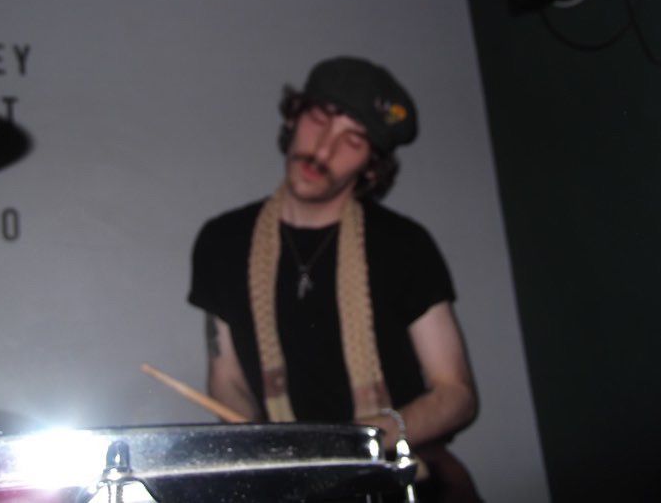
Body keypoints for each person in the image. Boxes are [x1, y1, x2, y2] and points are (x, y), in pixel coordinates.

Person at [188, 56, 480, 502]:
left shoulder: (404, 245)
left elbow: (456, 393)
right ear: (294, 116)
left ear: (371, 166)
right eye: (319, 120)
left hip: (397, 479)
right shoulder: (222, 242)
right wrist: (264, 453)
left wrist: (361, 440)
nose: (324, 149)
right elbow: (227, 379)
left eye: (353, 140)